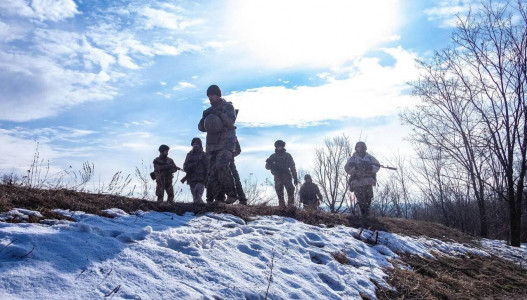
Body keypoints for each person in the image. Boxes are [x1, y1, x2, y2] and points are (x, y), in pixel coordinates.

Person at [198, 84, 238, 204]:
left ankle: (232, 195)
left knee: (222, 166)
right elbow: (201, 128)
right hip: (212, 145)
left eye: (213, 95)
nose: (210, 98)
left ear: (218, 95)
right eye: (209, 96)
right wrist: (205, 118)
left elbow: (230, 122)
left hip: (226, 143)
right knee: (213, 172)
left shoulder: (228, 106)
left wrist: (219, 113)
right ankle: (219, 199)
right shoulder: (208, 111)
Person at [344, 141, 380, 217]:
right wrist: (355, 168)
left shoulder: (370, 158)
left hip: (368, 181)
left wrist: (370, 168)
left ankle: (366, 215)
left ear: (365, 148)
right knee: (361, 200)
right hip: (357, 182)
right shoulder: (352, 159)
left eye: (362, 147)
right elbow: (347, 169)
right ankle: (363, 215)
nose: (360, 149)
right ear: (356, 148)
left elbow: (377, 166)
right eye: (358, 147)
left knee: (368, 198)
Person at [265, 140, 299, 207]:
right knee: (279, 193)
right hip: (277, 177)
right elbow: (267, 167)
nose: (279, 147)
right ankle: (282, 207)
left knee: (290, 191)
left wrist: (295, 178)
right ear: (276, 147)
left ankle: (290, 207)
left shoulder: (288, 156)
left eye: (280, 146)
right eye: (278, 146)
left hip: (287, 176)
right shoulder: (273, 156)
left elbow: (292, 167)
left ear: (283, 146)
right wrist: (270, 163)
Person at [182, 137, 209, 204]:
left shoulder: (203, 155)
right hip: (191, 179)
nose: (195, 145)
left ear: (200, 145)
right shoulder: (189, 155)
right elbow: (185, 166)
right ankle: (199, 211)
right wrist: (189, 167)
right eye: (194, 144)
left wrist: (207, 178)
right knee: (195, 198)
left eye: (197, 144)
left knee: (197, 196)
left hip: (201, 179)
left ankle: (203, 209)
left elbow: (208, 167)